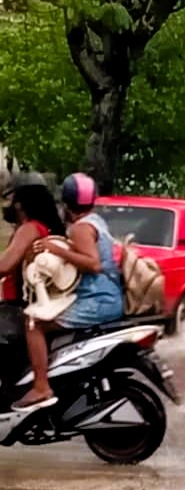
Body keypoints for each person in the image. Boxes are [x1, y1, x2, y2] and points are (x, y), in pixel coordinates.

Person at [15, 173, 125, 411]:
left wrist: (55, 249)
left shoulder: (79, 228)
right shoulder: (97, 222)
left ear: (65, 203)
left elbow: (93, 263)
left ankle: (41, 386)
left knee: (33, 321)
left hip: (96, 300)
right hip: (108, 297)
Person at [0, 172, 66, 305]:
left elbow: (4, 266)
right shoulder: (44, 226)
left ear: (19, 203)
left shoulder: (29, 229)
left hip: (19, 301)